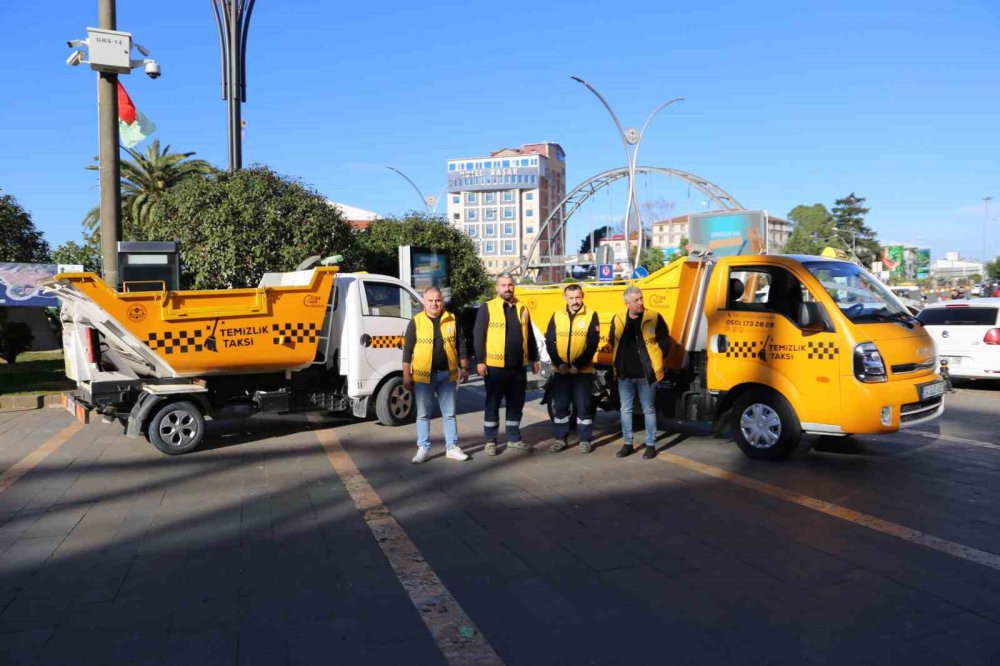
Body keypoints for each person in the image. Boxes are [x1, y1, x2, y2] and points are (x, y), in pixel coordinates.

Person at [473, 272, 540, 455]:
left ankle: (514, 438)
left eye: (510, 285)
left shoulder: (522, 308)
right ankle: (490, 441)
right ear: (497, 288)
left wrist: (534, 358)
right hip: (494, 366)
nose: (507, 288)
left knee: (516, 403)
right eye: (503, 285)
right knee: (493, 404)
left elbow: (530, 336)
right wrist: (480, 361)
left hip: (518, 366)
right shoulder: (487, 308)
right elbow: (479, 336)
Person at [402, 287, 470, 464]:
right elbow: (407, 351)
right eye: (430, 300)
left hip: (447, 375)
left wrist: (464, 367)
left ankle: (452, 447)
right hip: (424, 377)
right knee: (423, 414)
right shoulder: (416, 322)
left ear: (442, 301)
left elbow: (461, 344)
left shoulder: (452, 319)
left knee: (449, 414)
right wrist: (406, 375)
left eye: (437, 300)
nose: (434, 303)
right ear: (424, 302)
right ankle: (423, 448)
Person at [609, 286, 670, 460]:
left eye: (641, 298)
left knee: (648, 409)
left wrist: (657, 359)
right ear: (627, 303)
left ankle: (650, 444)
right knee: (625, 409)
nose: (641, 303)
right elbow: (614, 341)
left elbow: (665, 342)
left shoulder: (654, 317)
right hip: (624, 374)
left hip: (646, 374)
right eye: (636, 300)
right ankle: (627, 443)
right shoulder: (618, 318)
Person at [544, 284, 600, 453]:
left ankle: (584, 440)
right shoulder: (556, 315)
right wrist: (559, 363)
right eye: (571, 298)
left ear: (583, 296)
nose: (575, 301)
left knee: (584, 407)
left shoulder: (591, 315)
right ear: (565, 298)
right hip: (560, 371)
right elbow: (550, 342)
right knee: (560, 407)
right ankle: (560, 439)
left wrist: (577, 365)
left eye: (578, 297)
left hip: (582, 372)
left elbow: (592, 344)